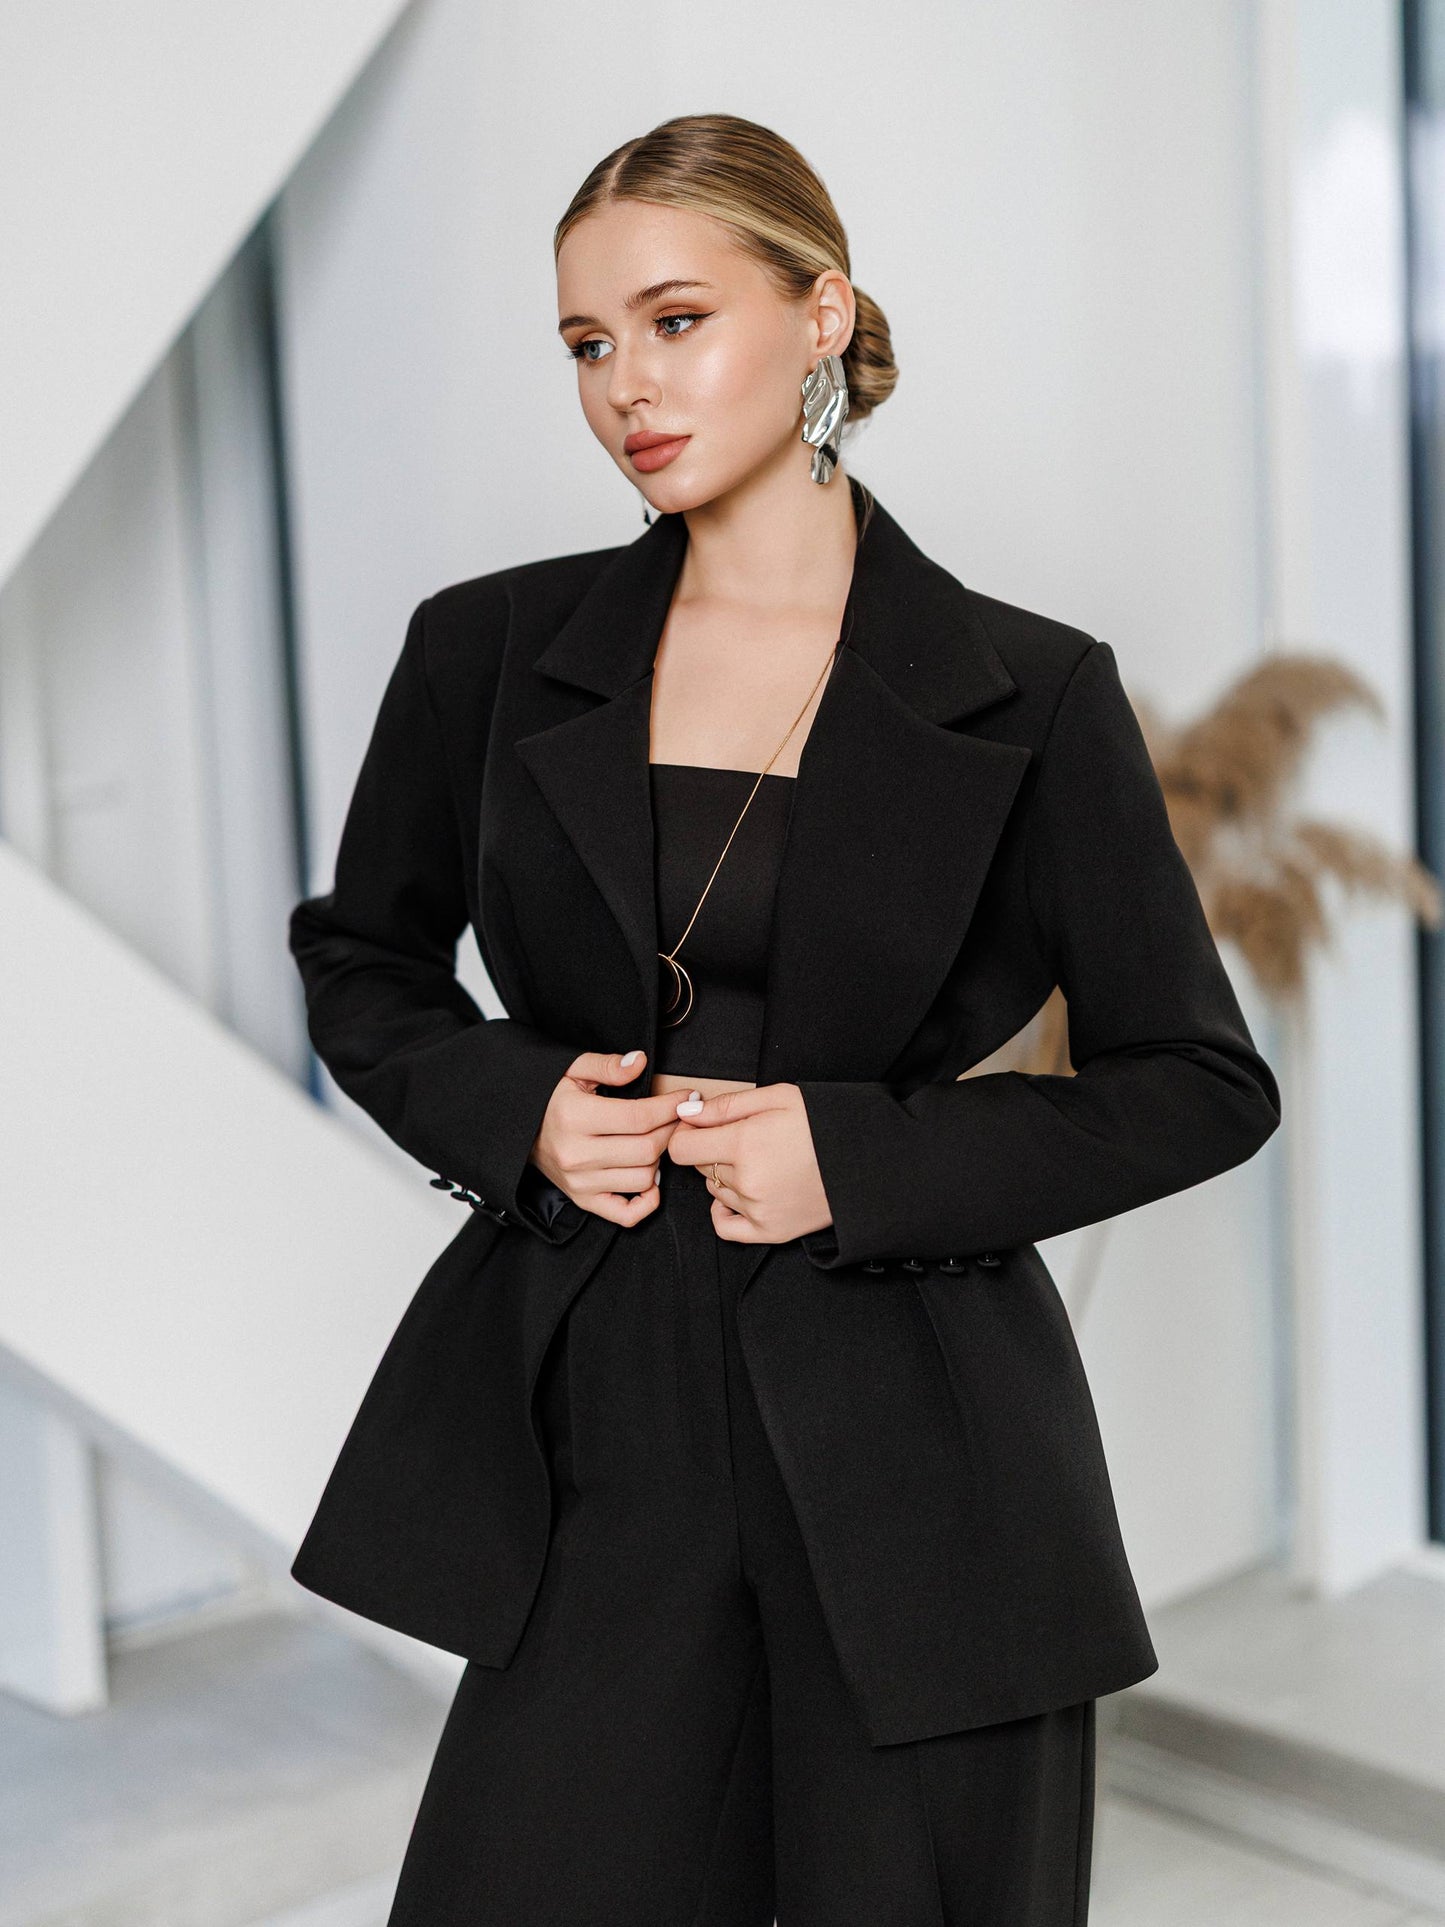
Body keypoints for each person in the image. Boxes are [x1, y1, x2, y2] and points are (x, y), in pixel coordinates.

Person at [288, 112, 1281, 1925]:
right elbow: (362, 955)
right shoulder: (484, 653)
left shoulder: (1029, 691)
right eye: (587, 344)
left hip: (919, 1421)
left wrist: (864, 1152)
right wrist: (513, 1107)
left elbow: (1199, 1085)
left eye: (675, 321)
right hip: (599, 1396)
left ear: (821, 311)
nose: (624, 389)